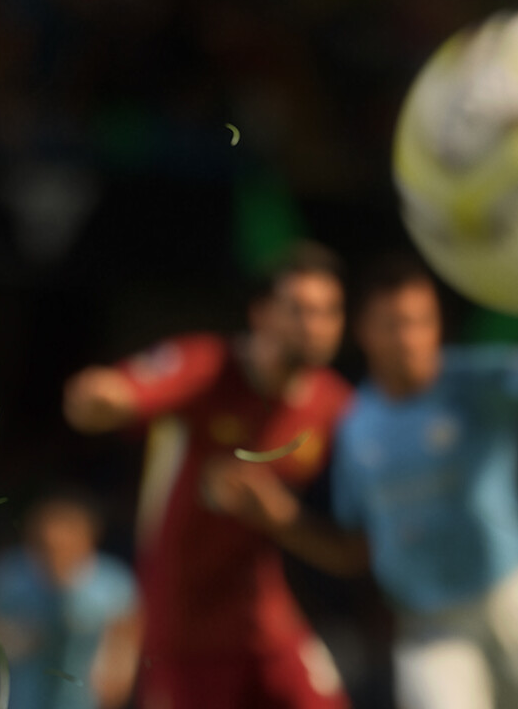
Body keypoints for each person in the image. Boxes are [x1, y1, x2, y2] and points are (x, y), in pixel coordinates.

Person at [204, 255, 518, 709]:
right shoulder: (354, 424)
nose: (409, 337)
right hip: (429, 627)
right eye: (393, 324)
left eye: (420, 321)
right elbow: (353, 551)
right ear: (365, 331)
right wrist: (279, 517)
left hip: (511, 599)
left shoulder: (472, 384)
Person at [62, 241, 353, 709]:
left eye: (328, 312)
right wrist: (99, 398)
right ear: (261, 314)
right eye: (299, 310)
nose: (314, 326)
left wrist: (280, 517)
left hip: (268, 622)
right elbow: (121, 394)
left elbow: (352, 546)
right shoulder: (207, 366)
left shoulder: (335, 406)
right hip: (184, 634)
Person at [0, 492, 141, 709]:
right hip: (20, 699)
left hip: (81, 700)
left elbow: (127, 637)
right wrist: (5, 639)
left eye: (65, 547)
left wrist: (117, 672)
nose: (55, 557)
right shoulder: (11, 576)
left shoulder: (112, 584)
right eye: (45, 547)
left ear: (87, 540)